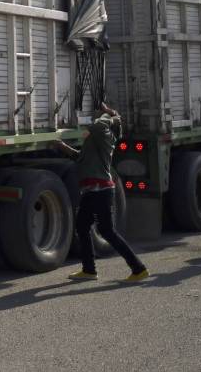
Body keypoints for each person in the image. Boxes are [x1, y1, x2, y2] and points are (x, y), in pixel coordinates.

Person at [57, 104, 150, 283]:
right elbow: (81, 158)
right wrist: (63, 147)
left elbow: (99, 125)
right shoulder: (97, 140)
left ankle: (138, 268)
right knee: (83, 226)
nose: (97, 118)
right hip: (92, 190)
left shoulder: (105, 136)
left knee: (107, 231)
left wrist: (110, 115)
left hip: (100, 190)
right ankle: (89, 270)